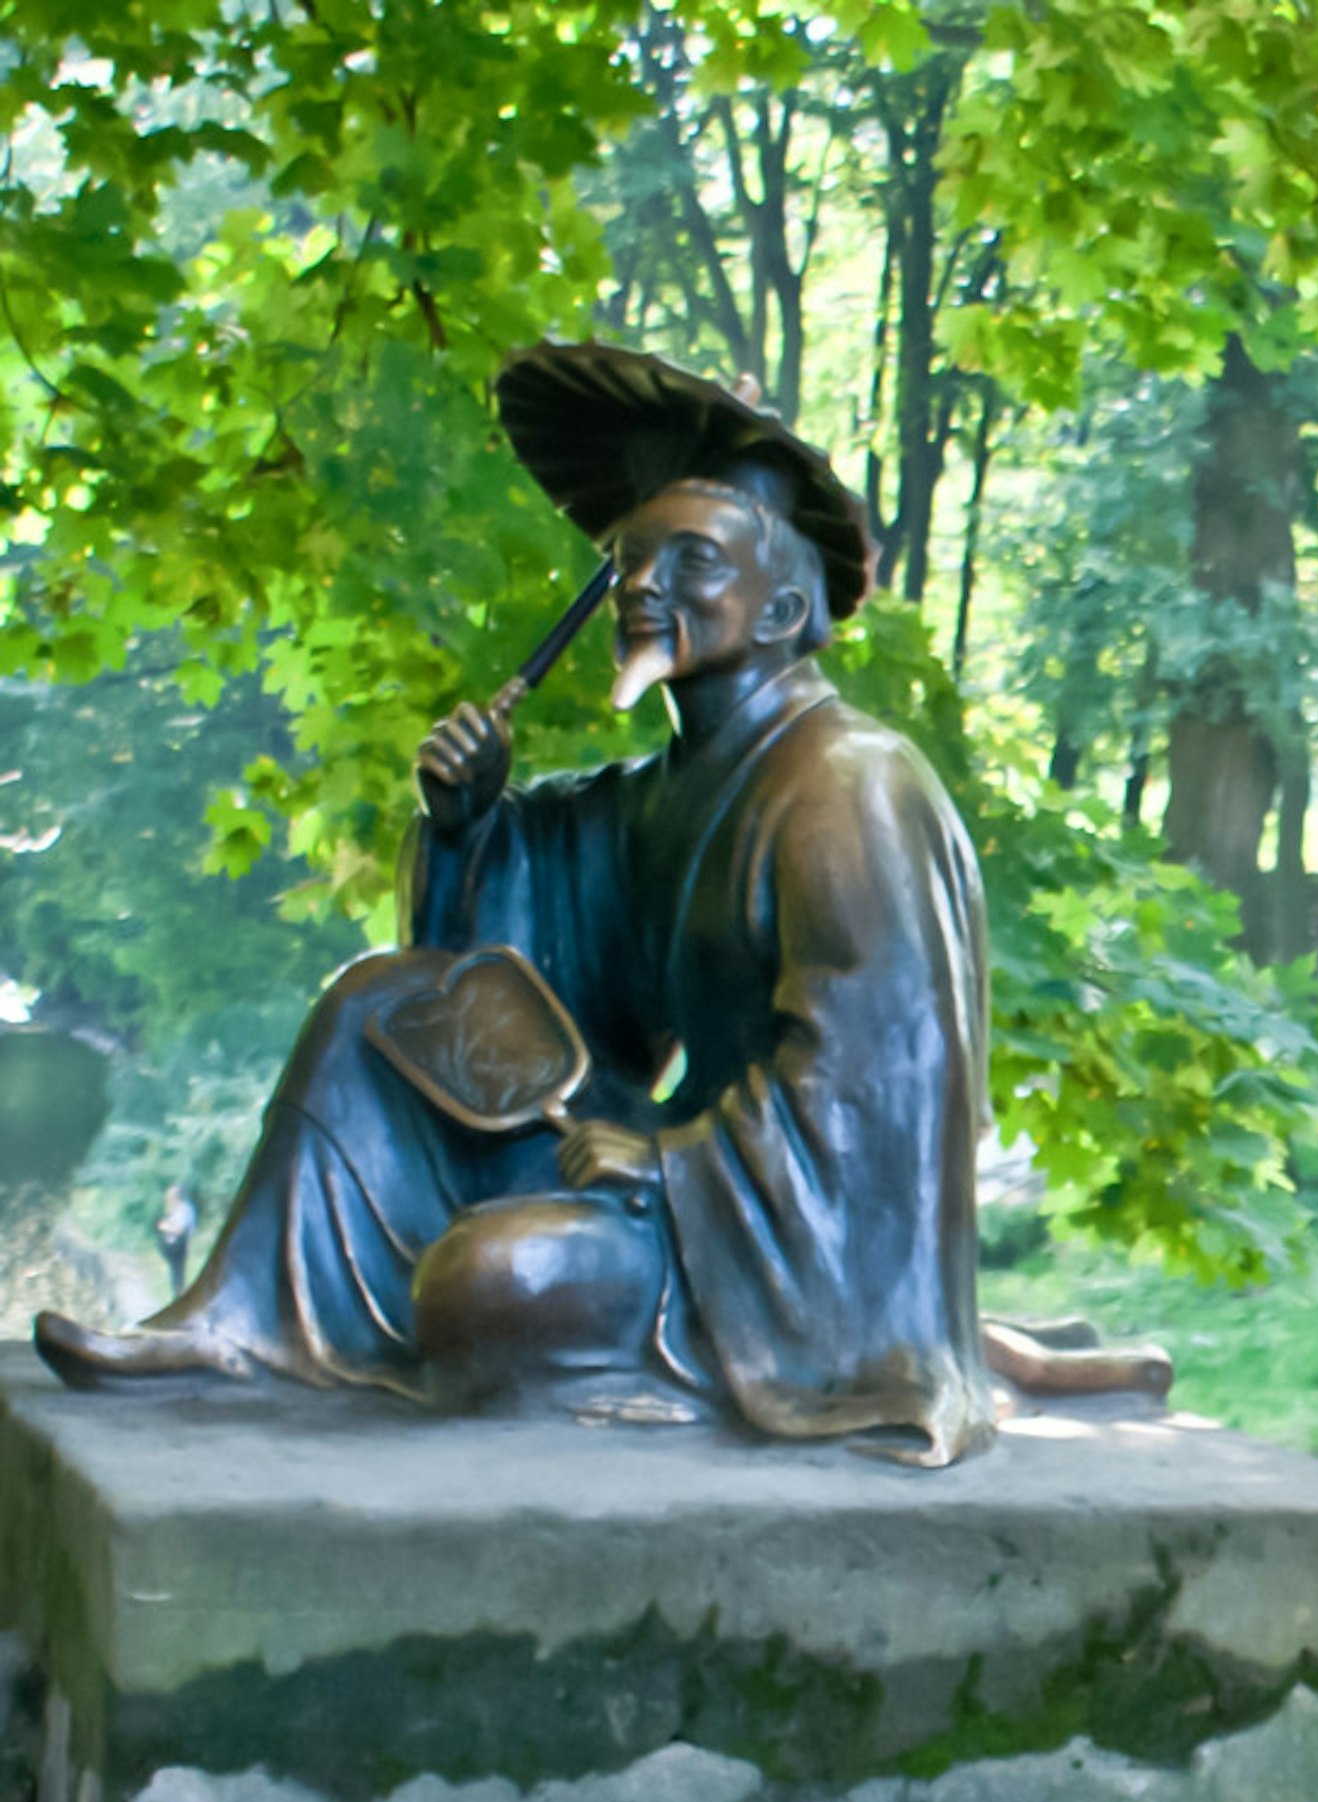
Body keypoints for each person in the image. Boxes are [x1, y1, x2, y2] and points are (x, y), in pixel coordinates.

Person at [36, 346, 996, 1464]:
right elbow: (517, 988)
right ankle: (239, 1323)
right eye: (632, 561)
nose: (645, 586)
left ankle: (643, 1377)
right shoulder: (659, 798)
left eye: (693, 562)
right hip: (668, 1170)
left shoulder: (847, 786)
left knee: (494, 1281)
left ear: (784, 607)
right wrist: (470, 823)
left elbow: (878, 1089)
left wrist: (670, 1159)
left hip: (778, 1243)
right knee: (379, 1002)